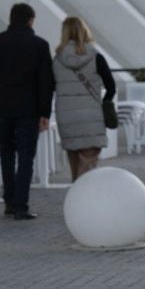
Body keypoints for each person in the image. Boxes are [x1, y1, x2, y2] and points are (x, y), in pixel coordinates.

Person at [0, 1, 53, 220]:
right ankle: (21, 204)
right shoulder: (39, 45)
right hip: (29, 109)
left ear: (11, 19)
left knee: (6, 153)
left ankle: (9, 201)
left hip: (1, 108)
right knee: (26, 156)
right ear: (31, 20)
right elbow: (45, 82)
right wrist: (45, 113)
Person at [50, 16, 115, 181]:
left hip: (67, 117)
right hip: (91, 116)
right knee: (88, 166)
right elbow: (111, 87)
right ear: (84, 31)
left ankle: (77, 198)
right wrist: (104, 102)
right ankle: (83, 200)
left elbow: (51, 87)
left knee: (74, 167)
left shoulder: (57, 60)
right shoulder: (95, 57)